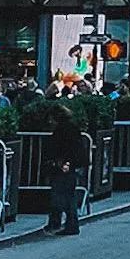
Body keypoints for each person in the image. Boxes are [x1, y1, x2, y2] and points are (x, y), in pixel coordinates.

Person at [42, 89, 87, 238]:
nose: (49, 122)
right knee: (64, 195)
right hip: (67, 165)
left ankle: (66, 223)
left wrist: (66, 163)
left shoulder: (65, 130)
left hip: (65, 166)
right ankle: (60, 223)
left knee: (63, 195)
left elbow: (70, 149)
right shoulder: (69, 128)